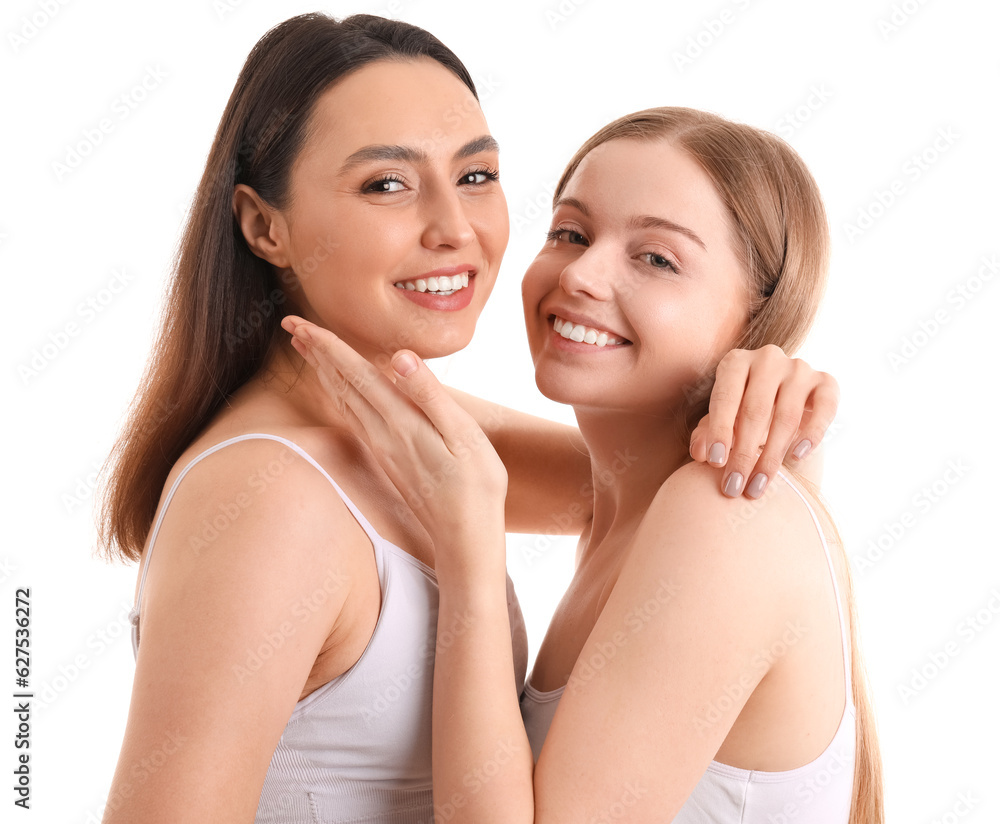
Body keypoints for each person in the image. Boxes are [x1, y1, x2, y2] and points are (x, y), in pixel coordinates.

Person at [97, 12, 840, 824]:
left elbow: (615, 493)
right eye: (387, 183)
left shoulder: (403, 432)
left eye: (477, 176)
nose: (454, 230)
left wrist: (766, 398)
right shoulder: (273, 494)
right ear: (264, 226)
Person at [284, 107, 883, 822]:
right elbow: (376, 400)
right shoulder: (623, 505)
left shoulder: (721, 513)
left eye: (656, 258)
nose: (583, 274)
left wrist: (469, 552)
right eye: (570, 233)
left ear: (758, 318)